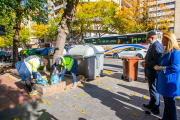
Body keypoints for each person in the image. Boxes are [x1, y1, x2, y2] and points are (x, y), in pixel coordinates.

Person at [154, 32, 180, 120]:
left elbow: (176, 67)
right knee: (167, 102)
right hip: (164, 82)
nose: (161, 41)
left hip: (169, 82)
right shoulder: (166, 51)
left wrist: (161, 68)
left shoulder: (175, 51)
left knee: (170, 104)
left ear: (169, 40)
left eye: (163, 39)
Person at [140, 31, 163, 114]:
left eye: (147, 38)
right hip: (150, 71)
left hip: (154, 72)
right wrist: (145, 61)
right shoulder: (152, 45)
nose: (146, 40)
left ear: (152, 38)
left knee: (154, 89)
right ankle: (152, 103)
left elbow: (157, 62)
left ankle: (156, 108)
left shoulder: (156, 46)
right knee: (152, 89)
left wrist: (147, 64)